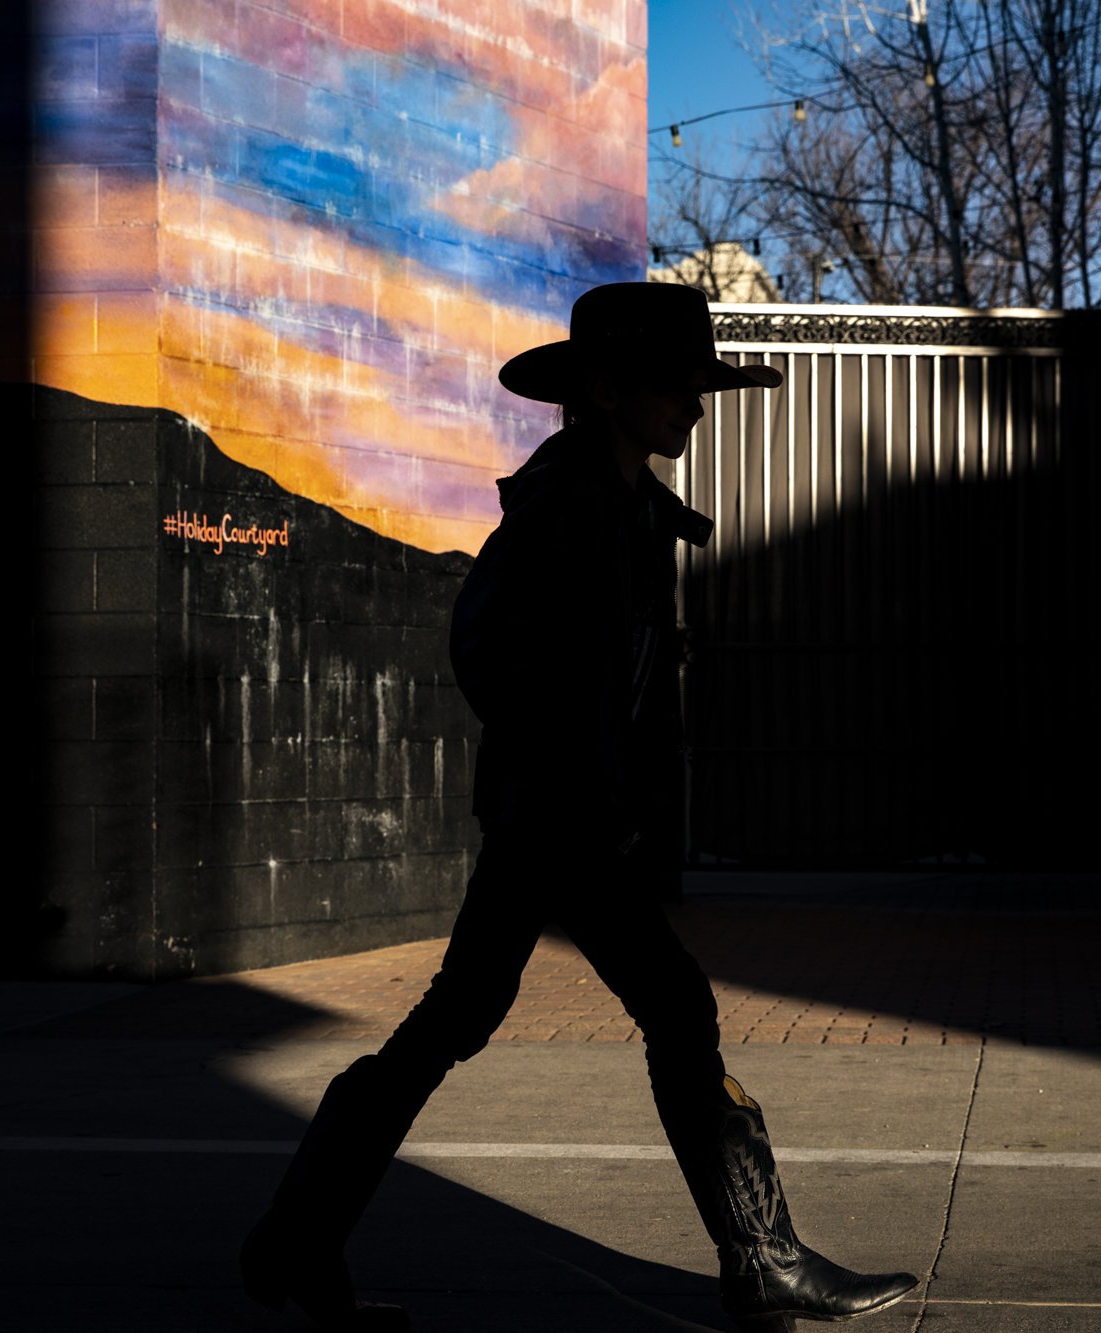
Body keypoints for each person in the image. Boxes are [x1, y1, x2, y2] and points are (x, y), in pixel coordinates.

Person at [239, 282, 919, 1331]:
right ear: (606, 392)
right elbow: (484, 645)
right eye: (676, 388)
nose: (695, 408)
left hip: (553, 815)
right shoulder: (565, 508)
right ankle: (761, 1263)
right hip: (555, 815)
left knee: (452, 1021)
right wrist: (576, 766)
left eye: (700, 387)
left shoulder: (627, 505)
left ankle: (293, 1241)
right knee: (674, 1004)